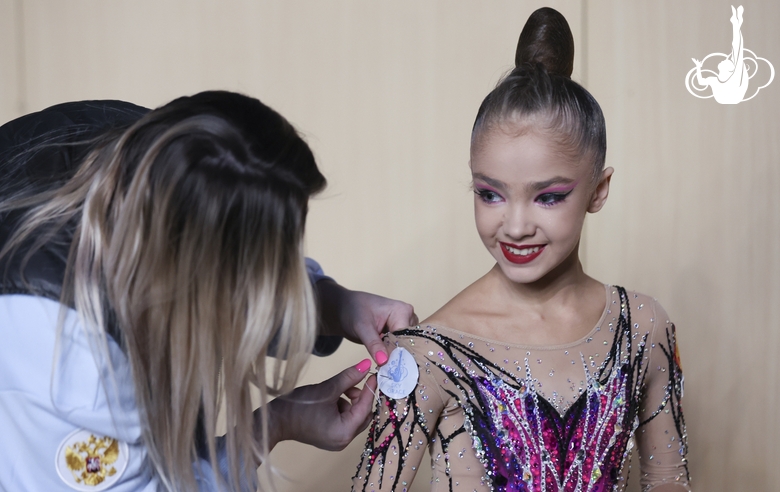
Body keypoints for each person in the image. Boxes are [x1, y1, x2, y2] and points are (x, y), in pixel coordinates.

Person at [0, 91, 416, 491]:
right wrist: (275, 424)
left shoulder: (164, 148)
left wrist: (331, 302)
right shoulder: (70, 364)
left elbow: (226, 250)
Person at [352, 8, 689, 492]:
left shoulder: (643, 327)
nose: (514, 226)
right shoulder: (424, 354)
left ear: (598, 189)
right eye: (490, 193)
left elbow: (669, 482)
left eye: (548, 196)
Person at [692, 5, 748, 104]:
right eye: (728, 61)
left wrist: (698, 67)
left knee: (737, 50)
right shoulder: (716, 80)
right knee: (737, 51)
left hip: (733, 96)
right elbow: (701, 82)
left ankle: (736, 23)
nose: (724, 59)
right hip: (730, 97)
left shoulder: (732, 78)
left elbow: (737, 49)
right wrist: (698, 67)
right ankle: (736, 23)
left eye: (727, 61)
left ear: (729, 69)